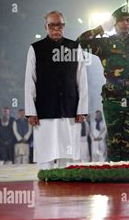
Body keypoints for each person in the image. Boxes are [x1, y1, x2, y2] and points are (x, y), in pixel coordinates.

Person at [77, 0, 129, 162]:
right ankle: (114, 180)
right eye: (121, 20)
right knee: (113, 141)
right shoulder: (105, 44)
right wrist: (101, 27)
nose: (126, 23)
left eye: (128, 20)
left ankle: (127, 178)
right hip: (112, 97)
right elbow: (80, 42)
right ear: (114, 23)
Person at [25, 10, 88, 170]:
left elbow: (82, 80)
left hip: (70, 110)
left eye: (59, 25)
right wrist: (31, 111)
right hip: (44, 111)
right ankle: (45, 189)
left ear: (64, 26)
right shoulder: (35, 49)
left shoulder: (75, 47)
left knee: (67, 157)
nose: (55, 29)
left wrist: (82, 109)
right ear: (45, 27)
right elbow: (30, 81)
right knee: (45, 155)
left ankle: (65, 191)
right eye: (51, 25)